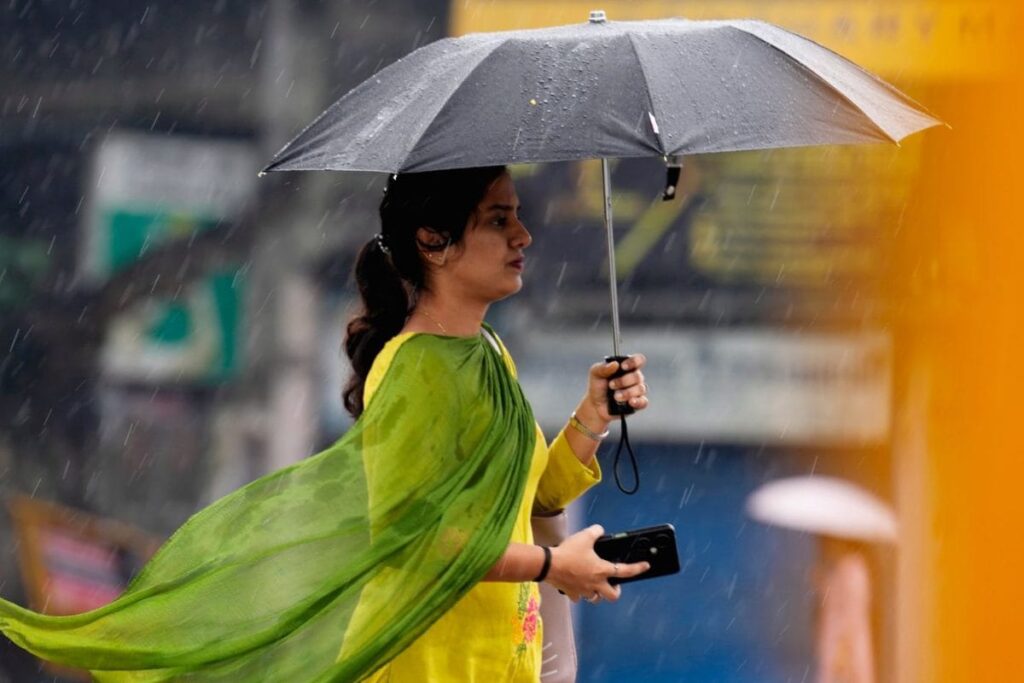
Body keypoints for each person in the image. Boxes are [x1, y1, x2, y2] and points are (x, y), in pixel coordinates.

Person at [0, 166, 651, 682]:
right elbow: (414, 539)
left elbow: (531, 498)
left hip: (498, 656)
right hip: (426, 662)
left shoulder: (488, 357)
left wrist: (591, 417)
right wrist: (549, 564)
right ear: (434, 241)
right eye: (498, 220)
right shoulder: (415, 371)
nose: (524, 237)